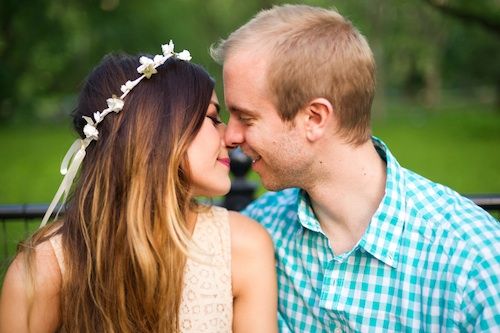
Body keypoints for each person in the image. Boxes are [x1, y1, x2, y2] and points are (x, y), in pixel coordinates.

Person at [211, 4, 500, 332]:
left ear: (315, 118)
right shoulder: (258, 234)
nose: (230, 136)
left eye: (246, 118)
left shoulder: (474, 264)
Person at [0, 41, 277, 333]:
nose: (231, 137)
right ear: (158, 130)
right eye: (211, 117)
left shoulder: (243, 246)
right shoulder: (44, 267)